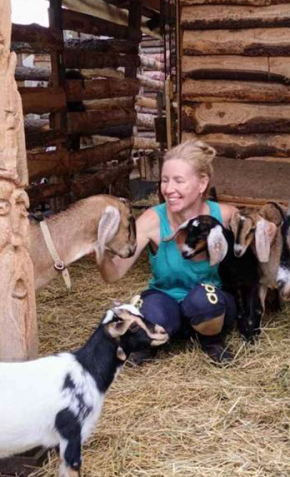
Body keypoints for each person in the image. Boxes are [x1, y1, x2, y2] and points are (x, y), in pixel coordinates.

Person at [99, 140, 239, 363]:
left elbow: (258, 232)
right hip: (166, 303)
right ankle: (152, 339)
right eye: (165, 180)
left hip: (212, 309)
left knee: (203, 299)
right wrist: (98, 250)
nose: (168, 189)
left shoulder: (225, 216)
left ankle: (212, 342)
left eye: (178, 181)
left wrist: (269, 227)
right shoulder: (153, 219)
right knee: (150, 310)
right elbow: (114, 272)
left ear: (202, 183)